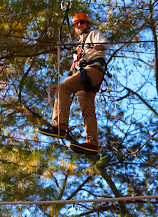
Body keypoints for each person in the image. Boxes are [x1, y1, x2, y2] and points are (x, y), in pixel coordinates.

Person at [38, 13, 108, 155]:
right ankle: (92, 143)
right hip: (84, 76)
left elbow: (103, 43)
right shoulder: (78, 49)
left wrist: (98, 47)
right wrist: (61, 86)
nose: (78, 26)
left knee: (65, 88)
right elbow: (73, 71)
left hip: (93, 70)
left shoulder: (93, 34)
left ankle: (59, 127)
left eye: (81, 23)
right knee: (87, 110)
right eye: (76, 24)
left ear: (87, 24)